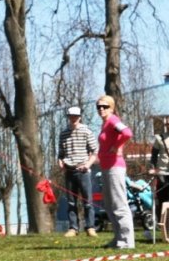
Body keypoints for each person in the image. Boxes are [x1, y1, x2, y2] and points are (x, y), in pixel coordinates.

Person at [96, 95, 135, 249]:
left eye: (104, 106)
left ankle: (127, 241)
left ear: (111, 108)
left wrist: (117, 145)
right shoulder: (104, 124)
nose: (101, 109)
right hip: (105, 167)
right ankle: (118, 238)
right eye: (98, 106)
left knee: (119, 204)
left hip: (115, 167)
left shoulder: (113, 120)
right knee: (110, 204)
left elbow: (127, 133)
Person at [57, 105, 98, 237]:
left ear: (80, 117)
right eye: (71, 116)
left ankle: (90, 227)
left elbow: (95, 151)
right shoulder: (63, 134)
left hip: (83, 171)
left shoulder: (86, 131)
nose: (73, 118)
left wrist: (88, 164)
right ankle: (73, 228)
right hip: (69, 171)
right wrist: (60, 161)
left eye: (76, 116)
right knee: (71, 201)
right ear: (68, 117)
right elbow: (60, 153)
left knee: (87, 200)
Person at [149, 129, 169, 221]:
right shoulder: (159, 138)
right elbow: (153, 156)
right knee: (162, 199)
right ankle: (163, 224)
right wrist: (153, 168)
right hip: (162, 173)